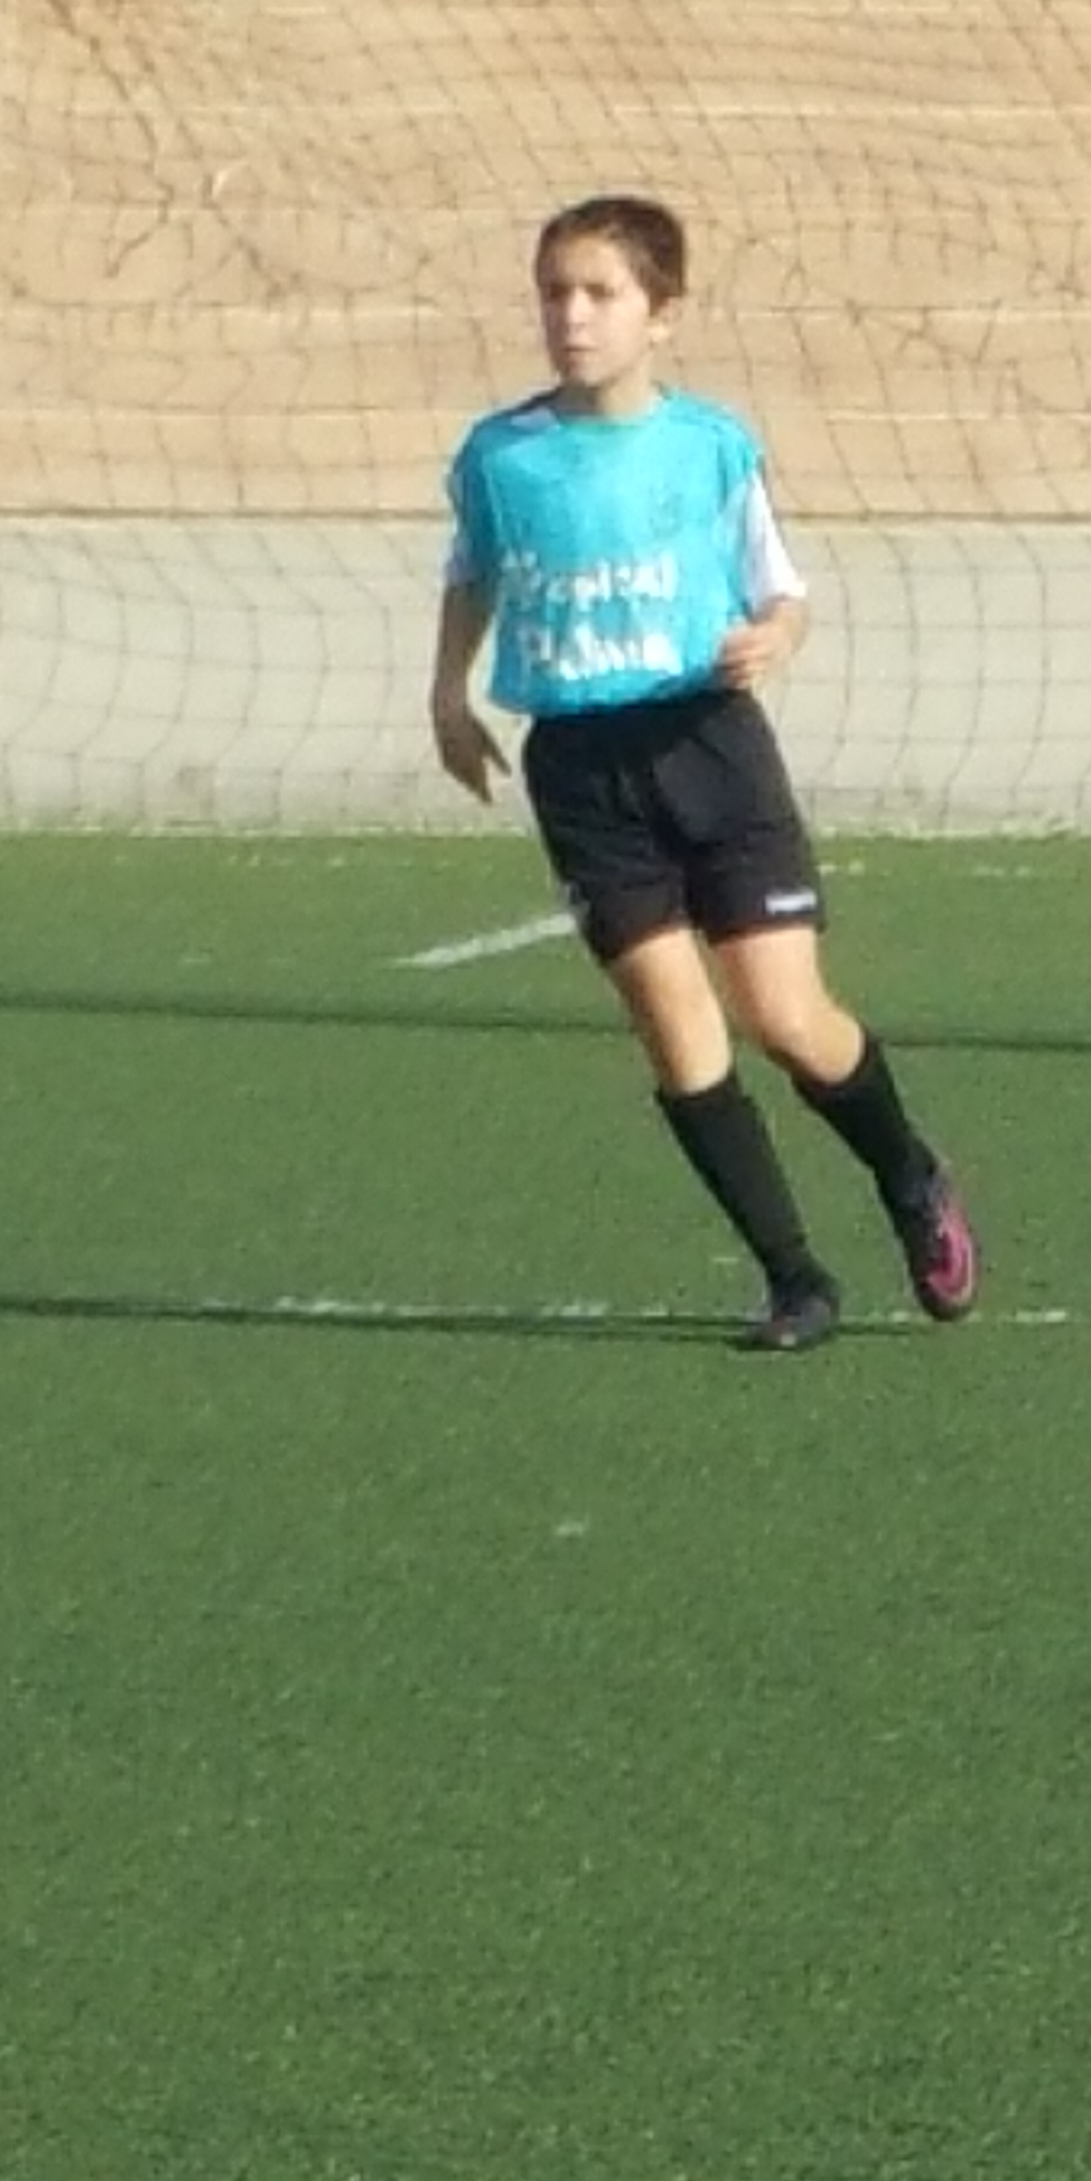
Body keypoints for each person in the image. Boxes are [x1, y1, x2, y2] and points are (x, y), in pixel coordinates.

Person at [433, 193, 978, 1353]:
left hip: (709, 747)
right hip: (580, 767)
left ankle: (908, 1173)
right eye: (553, 293)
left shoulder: (711, 445)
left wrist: (776, 635)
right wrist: (448, 692)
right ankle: (795, 1281)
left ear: (661, 314)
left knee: (785, 1018)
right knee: (678, 1032)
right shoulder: (498, 455)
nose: (572, 317)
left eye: (600, 293)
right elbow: (472, 571)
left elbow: (780, 588)